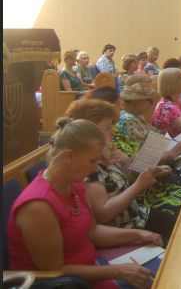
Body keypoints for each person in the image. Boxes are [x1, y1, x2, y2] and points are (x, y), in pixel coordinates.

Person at [8, 118, 159, 289]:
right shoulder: (38, 206)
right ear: (68, 157)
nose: (95, 169)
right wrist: (119, 271)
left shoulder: (75, 185)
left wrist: (138, 234)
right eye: (93, 161)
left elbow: (92, 232)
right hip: (62, 283)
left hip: (90, 267)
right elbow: (53, 270)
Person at [64, 99, 181, 245]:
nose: (113, 132)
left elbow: (121, 185)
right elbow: (103, 214)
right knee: (178, 243)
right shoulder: (88, 165)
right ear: (88, 130)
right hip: (122, 229)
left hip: (137, 215)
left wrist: (129, 165)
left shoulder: (106, 153)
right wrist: (139, 185)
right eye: (108, 127)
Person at [116, 74, 181, 163]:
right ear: (135, 102)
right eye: (149, 100)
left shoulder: (136, 115)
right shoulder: (128, 120)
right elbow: (143, 159)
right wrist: (172, 153)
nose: (152, 104)